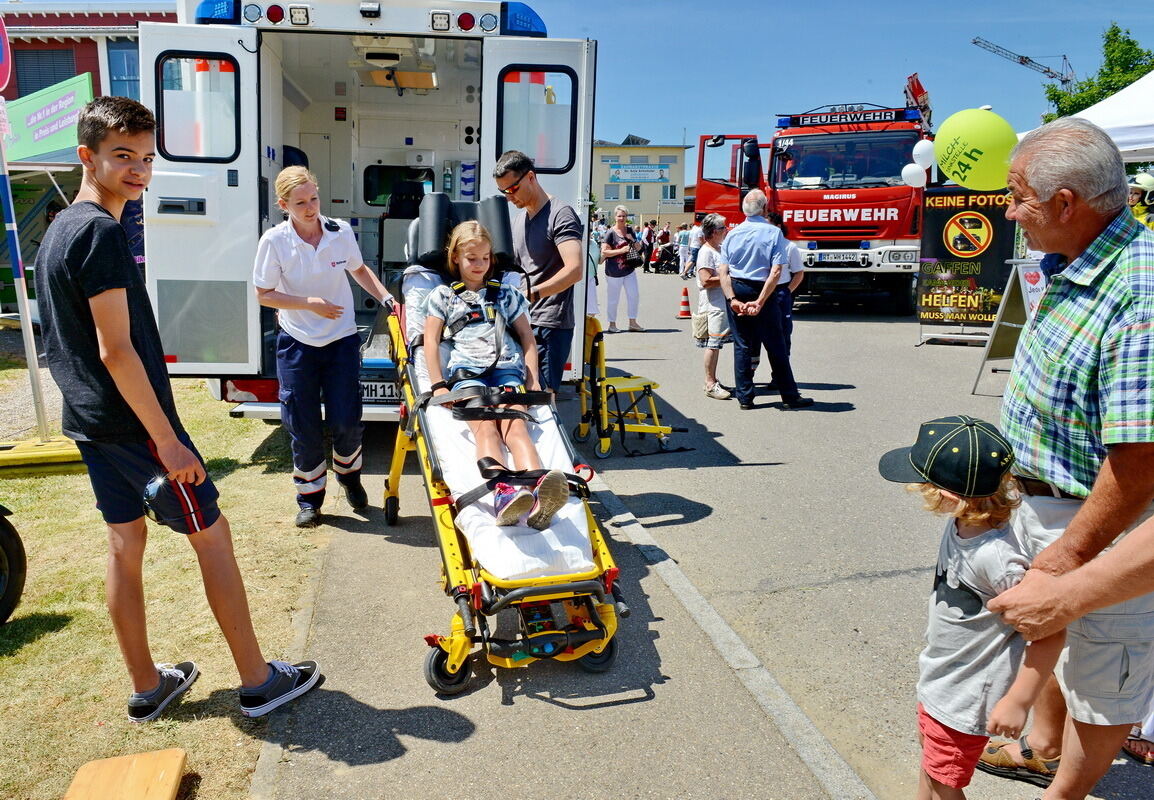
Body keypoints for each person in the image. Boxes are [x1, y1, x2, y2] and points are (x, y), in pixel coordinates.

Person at [34, 96, 321, 723]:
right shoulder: (101, 233)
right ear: (87, 157)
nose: (138, 170)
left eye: (145, 157)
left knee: (123, 546)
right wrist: (166, 438)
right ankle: (258, 680)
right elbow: (114, 351)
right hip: (135, 428)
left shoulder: (58, 229)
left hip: (89, 423)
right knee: (212, 540)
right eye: (121, 157)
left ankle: (146, 684)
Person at [975, 117, 1154, 799]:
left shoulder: (1139, 295)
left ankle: (1067, 791)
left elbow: (1139, 465)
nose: (1008, 210)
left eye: (1017, 196)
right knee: (1064, 640)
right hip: (1052, 501)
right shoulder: (1073, 258)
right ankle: (1044, 749)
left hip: (1104, 522)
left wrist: (1074, 552)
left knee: (1104, 672)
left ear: (1066, 204)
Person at [880, 416, 1065, 800]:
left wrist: (1018, 701)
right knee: (932, 765)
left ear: (947, 496)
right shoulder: (964, 521)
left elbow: (1050, 631)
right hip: (942, 676)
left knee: (946, 785)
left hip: (968, 693)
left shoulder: (997, 558)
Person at [253, 166, 391, 528]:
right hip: (298, 342)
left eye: (313, 198)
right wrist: (308, 303)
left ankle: (350, 478)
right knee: (304, 425)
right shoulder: (275, 241)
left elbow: (359, 270)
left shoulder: (339, 232)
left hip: (341, 340)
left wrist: (386, 297)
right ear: (284, 204)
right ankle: (310, 499)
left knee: (347, 420)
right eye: (301, 202)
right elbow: (263, 295)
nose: (311, 207)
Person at [422, 221, 568, 530]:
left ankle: (538, 490)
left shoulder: (507, 295)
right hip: (467, 375)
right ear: (456, 259)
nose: (479, 265)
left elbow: (528, 339)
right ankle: (504, 494)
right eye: (471, 258)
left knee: (516, 429)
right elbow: (430, 342)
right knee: (486, 430)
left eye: (485, 258)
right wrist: (437, 385)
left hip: (508, 372)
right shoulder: (442, 296)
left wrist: (534, 380)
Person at [494, 150, 584, 396]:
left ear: (531, 177)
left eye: (513, 189)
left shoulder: (560, 214)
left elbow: (575, 270)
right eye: (504, 192)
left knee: (542, 399)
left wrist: (532, 294)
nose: (509, 197)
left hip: (549, 325)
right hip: (521, 320)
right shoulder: (519, 220)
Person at [716, 189, 813, 411]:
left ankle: (745, 398)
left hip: (738, 287)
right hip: (764, 290)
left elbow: (723, 272)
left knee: (742, 345)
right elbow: (776, 271)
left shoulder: (732, 234)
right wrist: (760, 301)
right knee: (775, 344)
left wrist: (732, 299)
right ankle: (789, 395)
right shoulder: (773, 233)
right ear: (766, 208)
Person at [693, 213, 732, 400]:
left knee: (717, 344)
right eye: (723, 228)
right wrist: (727, 279)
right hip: (712, 305)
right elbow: (706, 280)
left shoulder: (719, 248)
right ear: (714, 232)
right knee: (713, 344)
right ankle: (709, 383)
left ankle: (713, 379)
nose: (726, 230)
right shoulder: (706, 252)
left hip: (721, 304)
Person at [600, 205, 645, 333]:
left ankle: (632, 323)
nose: (622, 218)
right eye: (619, 216)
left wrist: (632, 239)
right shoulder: (610, 233)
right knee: (613, 299)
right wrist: (621, 250)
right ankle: (612, 324)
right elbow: (605, 252)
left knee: (634, 295)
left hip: (629, 269)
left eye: (624, 216)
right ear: (615, 217)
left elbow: (639, 248)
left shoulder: (630, 230)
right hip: (614, 272)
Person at [766, 212, 805, 356]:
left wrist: (787, 291)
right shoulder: (762, 245)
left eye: (768, 226)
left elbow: (799, 273)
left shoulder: (790, 247)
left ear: (778, 226)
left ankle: (782, 371)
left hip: (780, 291)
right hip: (762, 290)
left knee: (783, 331)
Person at [685, 212, 704, 278]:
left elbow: (690, 239)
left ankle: (688, 272)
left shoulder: (693, 229)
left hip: (692, 246)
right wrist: (704, 245)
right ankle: (686, 272)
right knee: (693, 261)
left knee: (691, 260)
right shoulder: (699, 230)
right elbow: (700, 239)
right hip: (696, 246)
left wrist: (689, 247)